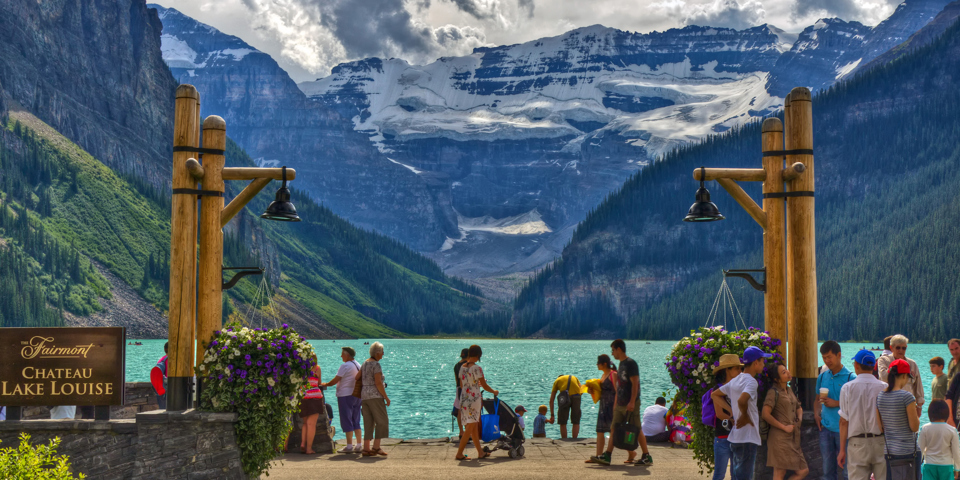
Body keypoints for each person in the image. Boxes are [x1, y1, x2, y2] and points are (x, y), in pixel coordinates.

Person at [592, 339, 653, 466]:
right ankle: (607, 456)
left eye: (613, 350)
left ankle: (647, 456)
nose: (612, 353)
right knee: (613, 428)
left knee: (636, 429)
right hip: (620, 403)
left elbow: (635, 383)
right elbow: (620, 386)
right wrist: (616, 403)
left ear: (619, 349)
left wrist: (632, 402)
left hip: (631, 403)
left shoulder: (631, 363)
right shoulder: (621, 364)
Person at [712, 346, 769, 480]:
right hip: (747, 437)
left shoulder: (735, 380)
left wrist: (732, 412)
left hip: (736, 437)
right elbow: (743, 400)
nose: (763, 364)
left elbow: (714, 395)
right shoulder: (751, 381)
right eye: (762, 361)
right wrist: (744, 416)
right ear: (756, 362)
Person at [838, 350, 887, 480]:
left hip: (857, 443)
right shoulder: (884, 387)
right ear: (873, 366)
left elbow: (844, 421)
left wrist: (842, 449)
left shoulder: (847, 388)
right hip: (881, 442)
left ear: (856, 365)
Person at [761, 362, 809, 480]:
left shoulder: (789, 389)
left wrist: (799, 419)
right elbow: (765, 414)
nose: (787, 372)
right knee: (780, 473)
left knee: (803, 471)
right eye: (783, 372)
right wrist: (783, 427)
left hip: (793, 438)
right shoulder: (773, 392)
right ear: (777, 379)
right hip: (779, 439)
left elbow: (798, 407)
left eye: (786, 369)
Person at [815, 340, 855, 480]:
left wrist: (836, 403)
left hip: (845, 431)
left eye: (829, 357)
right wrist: (816, 415)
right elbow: (816, 399)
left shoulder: (851, 378)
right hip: (825, 429)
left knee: (847, 471)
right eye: (824, 358)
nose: (827, 361)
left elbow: (855, 406)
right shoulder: (822, 376)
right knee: (827, 470)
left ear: (839, 355)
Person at [876, 358, 921, 476]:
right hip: (908, 452)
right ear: (904, 376)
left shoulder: (880, 396)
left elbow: (881, 428)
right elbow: (914, 427)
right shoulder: (907, 397)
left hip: (889, 451)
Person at [455, 344, 498, 460]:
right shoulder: (477, 368)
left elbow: (461, 384)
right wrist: (494, 391)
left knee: (473, 426)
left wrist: (472, 384)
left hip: (464, 398)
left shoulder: (462, 367)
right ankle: (459, 453)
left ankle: (480, 452)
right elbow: (484, 385)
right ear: (479, 355)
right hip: (474, 399)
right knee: (470, 426)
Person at [703, 353, 742, 480]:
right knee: (719, 474)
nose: (740, 371)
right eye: (736, 368)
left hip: (737, 437)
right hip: (723, 436)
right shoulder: (718, 389)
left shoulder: (739, 388)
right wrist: (732, 418)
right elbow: (719, 413)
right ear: (727, 370)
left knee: (736, 474)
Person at [321, 347, 363, 453]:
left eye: (342, 354)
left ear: (347, 355)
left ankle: (349, 446)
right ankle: (359, 445)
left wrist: (325, 384)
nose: (341, 356)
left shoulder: (345, 366)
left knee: (346, 419)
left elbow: (335, 380)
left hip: (345, 395)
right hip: (357, 395)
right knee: (356, 420)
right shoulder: (358, 364)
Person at [877, 335, 924, 415]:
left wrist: (919, 406)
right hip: (889, 407)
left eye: (904, 348)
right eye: (898, 348)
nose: (901, 350)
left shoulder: (912, 364)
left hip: (909, 407)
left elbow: (918, 386)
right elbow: (884, 377)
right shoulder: (884, 360)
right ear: (891, 348)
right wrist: (903, 370)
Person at [358, 341, 390, 457]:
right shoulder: (376, 365)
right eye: (382, 352)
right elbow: (378, 383)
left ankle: (366, 449)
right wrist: (386, 397)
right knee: (382, 421)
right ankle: (376, 447)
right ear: (377, 353)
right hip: (375, 396)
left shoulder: (364, 363)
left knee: (368, 422)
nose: (383, 354)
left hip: (364, 396)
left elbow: (357, 377)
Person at [918, 399, 960, 480]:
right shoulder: (952, 430)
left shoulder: (925, 428)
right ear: (947, 414)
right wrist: (957, 468)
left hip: (929, 464)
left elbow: (920, 449)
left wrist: (918, 467)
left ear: (930, 413)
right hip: (946, 465)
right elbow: (956, 452)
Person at [586, 355, 617, 463]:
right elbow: (601, 391)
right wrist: (592, 391)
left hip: (612, 406)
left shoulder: (613, 374)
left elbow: (618, 391)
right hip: (603, 406)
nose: (596, 365)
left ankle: (631, 452)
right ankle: (598, 456)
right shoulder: (603, 375)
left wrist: (616, 406)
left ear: (604, 364)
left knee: (614, 432)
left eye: (598, 363)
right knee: (600, 431)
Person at [298, 354, 324, 454]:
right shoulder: (317, 368)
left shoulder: (300, 369)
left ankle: (303, 443)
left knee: (305, 423)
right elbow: (319, 382)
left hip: (303, 396)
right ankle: (309, 448)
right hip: (314, 397)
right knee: (311, 424)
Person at [550, 374, 583, 439]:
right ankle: (574, 439)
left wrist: (552, 415)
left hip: (564, 397)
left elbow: (551, 400)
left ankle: (564, 439)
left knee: (563, 421)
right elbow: (581, 390)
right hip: (576, 396)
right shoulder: (574, 377)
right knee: (576, 421)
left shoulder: (557, 380)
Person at [453, 348, 468, 438]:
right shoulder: (467, 365)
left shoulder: (456, 366)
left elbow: (456, 379)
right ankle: (468, 432)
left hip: (458, 389)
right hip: (467, 389)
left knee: (459, 411)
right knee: (467, 411)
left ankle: (461, 432)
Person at [150, 342, 169, 410]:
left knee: (162, 410)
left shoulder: (161, 360)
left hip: (159, 389)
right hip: (168, 389)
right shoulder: (171, 360)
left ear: (164, 349)